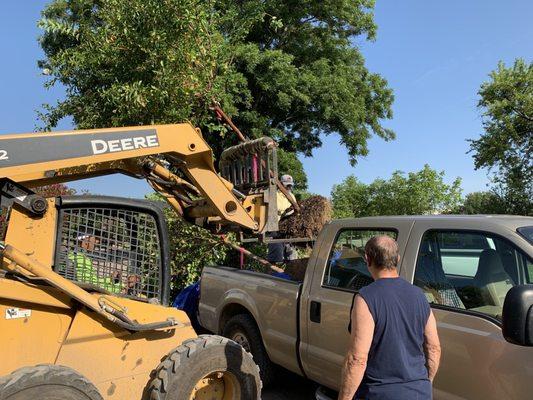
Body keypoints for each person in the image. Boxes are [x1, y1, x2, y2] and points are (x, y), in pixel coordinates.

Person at [338, 236, 441, 400]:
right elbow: (434, 348)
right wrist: (425, 383)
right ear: (397, 259)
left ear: (367, 259)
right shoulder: (419, 295)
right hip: (419, 392)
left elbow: (357, 359)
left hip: (379, 393)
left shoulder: (366, 297)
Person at [267, 174, 298, 264]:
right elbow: (278, 208)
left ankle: (290, 265)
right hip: (275, 226)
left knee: (291, 254)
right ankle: (274, 268)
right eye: (287, 184)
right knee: (276, 251)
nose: (289, 186)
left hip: (287, 225)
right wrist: (288, 209)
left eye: (290, 184)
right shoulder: (275, 195)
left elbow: (295, 209)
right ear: (280, 184)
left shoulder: (292, 196)